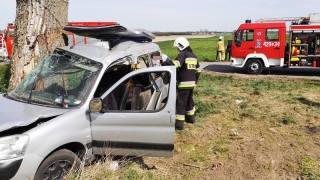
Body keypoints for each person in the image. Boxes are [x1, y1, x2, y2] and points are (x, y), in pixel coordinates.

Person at [162, 37, 201, 130]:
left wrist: (164, 63)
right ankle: (191, 119)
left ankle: (179, 125)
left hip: (184, 84)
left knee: (181, 104)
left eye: (177, 47)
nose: (177, 49)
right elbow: (198, 70)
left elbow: (175, 65)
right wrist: (195, 82)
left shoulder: (183, 54)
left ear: (181, 46)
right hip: (192, 84)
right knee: (189, 101)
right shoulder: (194, 55)